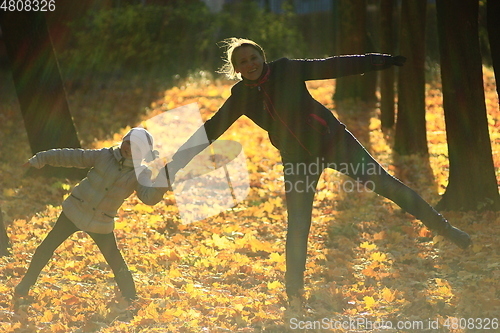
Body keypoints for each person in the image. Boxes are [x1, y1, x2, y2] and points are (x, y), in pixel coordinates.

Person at [165, 38, 471, 303]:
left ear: (262, 56)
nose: (250, 64)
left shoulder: (286, 69)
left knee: (388, 186)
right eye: (243, 62)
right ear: (237, 69)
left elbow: (331, 65)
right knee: (298, 224)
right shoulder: (241, 96)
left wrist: (379, 60)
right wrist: (175, 164)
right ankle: (294, 292)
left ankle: (446, 230)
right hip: (298, 160)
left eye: (253, 57)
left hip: (335, 142)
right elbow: (210, 130)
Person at [15, 128, 169, 301]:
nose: (129, 149)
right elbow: (73, 156)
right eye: (128, 143)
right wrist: (42, 158)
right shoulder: (105, 155)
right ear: (123, 141)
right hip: (75, 209)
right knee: (47, 246)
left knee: (114, 259)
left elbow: (148, 197)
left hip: (101, 221)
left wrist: (161, 187)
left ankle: (130, 297)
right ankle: (25, 284)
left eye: (137, 148)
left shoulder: (141, 173)